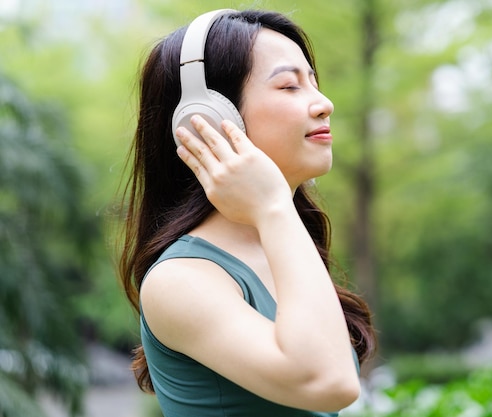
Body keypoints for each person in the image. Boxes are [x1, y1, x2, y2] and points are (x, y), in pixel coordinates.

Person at [118, 8, 376, 417]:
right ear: (210, 118)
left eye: (314, 83)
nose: (324, 103)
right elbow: (331, 382)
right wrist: (273, 206)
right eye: (290, 86)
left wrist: (276, 214)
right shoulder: (179, 280)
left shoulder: (280, 243)